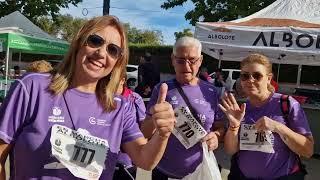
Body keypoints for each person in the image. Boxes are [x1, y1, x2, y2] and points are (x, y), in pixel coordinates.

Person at [0, 15, 176, 180]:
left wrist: (162, 135)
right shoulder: (32, 87)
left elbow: (145, 160)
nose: (101, 53)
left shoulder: (119, 107)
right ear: (79, 42)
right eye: (95, 41)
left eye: (113, 50)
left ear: (117, 62)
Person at [141, 36, 225, 179]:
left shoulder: (212, 92)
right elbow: (145, 132)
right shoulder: (162, 89)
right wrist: (155, 120)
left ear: (200, 61)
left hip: (199, 172)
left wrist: (217, 136)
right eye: (180, 60)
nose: (186, 67)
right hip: (163, 171)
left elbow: (220, 127)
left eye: (192, 60)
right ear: (173, 60)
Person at [220, 53, 314, 179]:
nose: (250, 80)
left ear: (269, 78)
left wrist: (278, 127)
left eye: (257, 76)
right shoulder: (240, 109)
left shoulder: (286, 104)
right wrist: (234, 127)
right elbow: (230, 150)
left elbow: (307, 150)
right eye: (245, 76)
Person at [113, 72, 146, 180]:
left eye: (113, 78)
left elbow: (144, 128)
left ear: (122, 80)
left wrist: (139, 155)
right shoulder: (102, 97)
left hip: (127, 162)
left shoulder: (135, 98)